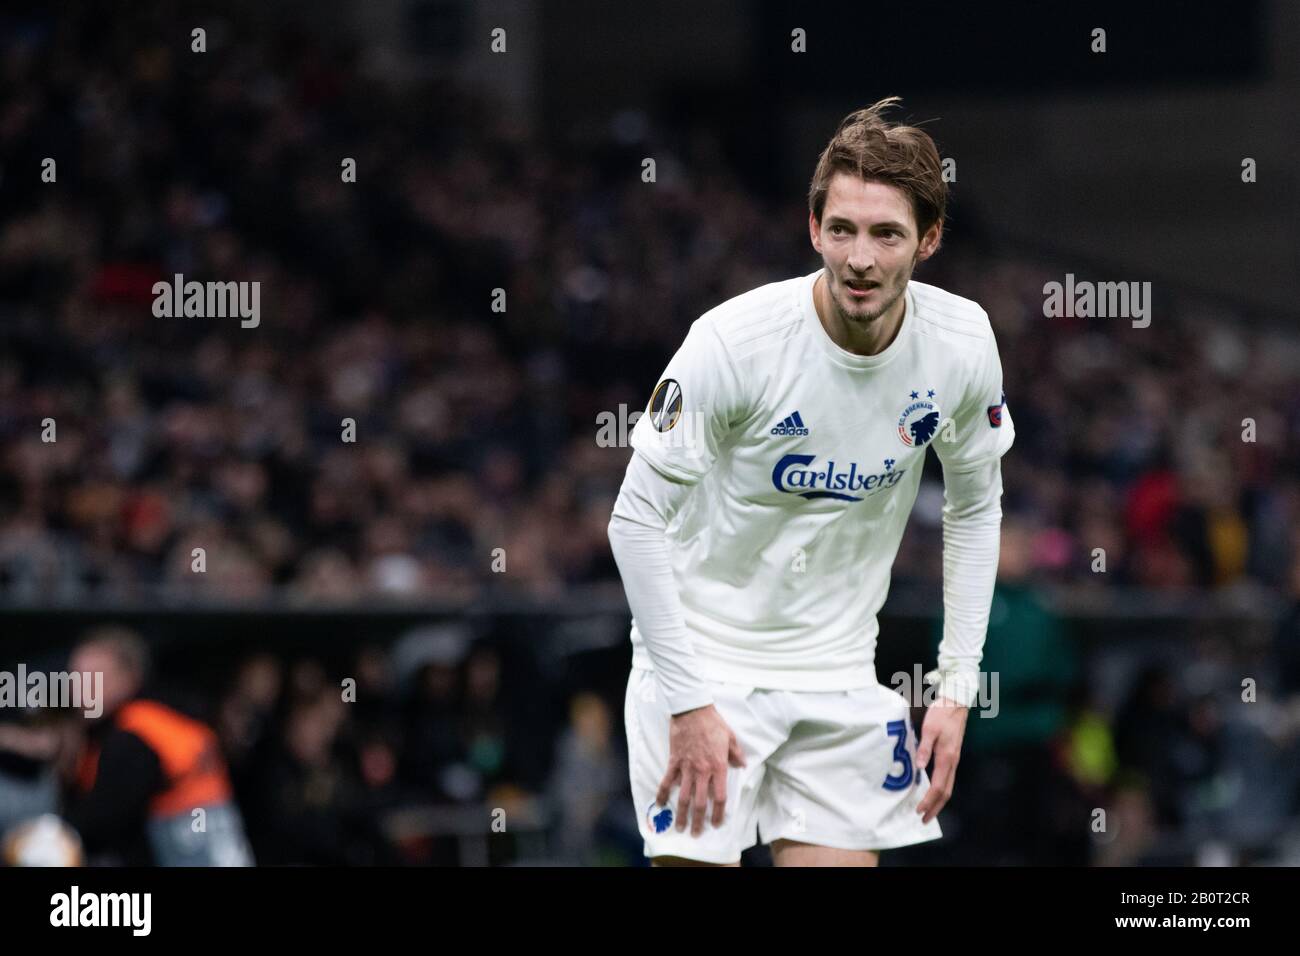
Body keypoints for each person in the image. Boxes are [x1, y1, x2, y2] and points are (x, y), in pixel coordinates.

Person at [607, 97, 1015, 866]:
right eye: (842, 230)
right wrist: (688, 701)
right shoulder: (733, 344)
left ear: (928, 240)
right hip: (704, 662)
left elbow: (975, 507)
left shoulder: (962, 344)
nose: (860, 258)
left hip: (840, 675)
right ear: (813, 229)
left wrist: (956, 688)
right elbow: (633, 522)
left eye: (887, 233)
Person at [62, 627, 254, 866]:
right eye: (75, 678)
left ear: (127, 678)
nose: (80, 691)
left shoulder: (136, 734)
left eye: (93, 678)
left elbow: (102, 823)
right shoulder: (168, 713)